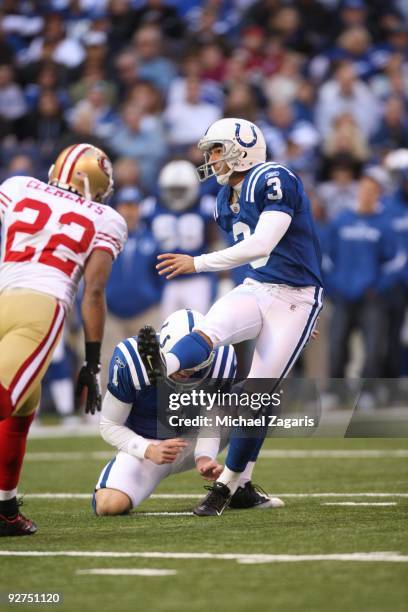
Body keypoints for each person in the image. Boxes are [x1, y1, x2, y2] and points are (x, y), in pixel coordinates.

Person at [137, 117, 323, 516]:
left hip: (296, 298)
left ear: (241, 149)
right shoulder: (225, 199)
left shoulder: (273, 177)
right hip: (257, 286)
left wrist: (198, 263)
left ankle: (227, 488)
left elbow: (263, 241)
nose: (211, 158)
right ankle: (162, 364)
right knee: (209, 329)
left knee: (257, 395)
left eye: (217, 150)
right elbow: (255, 256)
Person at [0, 144, 128, 536]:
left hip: (4, 296)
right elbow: (93, 292)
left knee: (23, 409)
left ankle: (5, 510)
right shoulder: (106, 217)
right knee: (4, 401)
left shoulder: (19, 186)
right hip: (42, 308)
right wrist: (92, 361)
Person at [94, 309, 282, 515]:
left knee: (259, 395)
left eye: (193, 370)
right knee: (108, 505)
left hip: (195, 436)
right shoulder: (132, 360)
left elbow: (212, 417)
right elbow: (109, 425)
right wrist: (148, 449)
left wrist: (204, 457)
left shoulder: (222, 357)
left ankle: (240, 485)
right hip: (152, 444)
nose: (184, 374)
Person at [144, 160, 217, 320]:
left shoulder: (206, 206)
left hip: (197, 279)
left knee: (199, 325)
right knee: (166, 329)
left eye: (180, 190)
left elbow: (215, 241)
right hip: (166, 280)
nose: (176, 195)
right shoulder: (151, 208)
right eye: (172, 190)